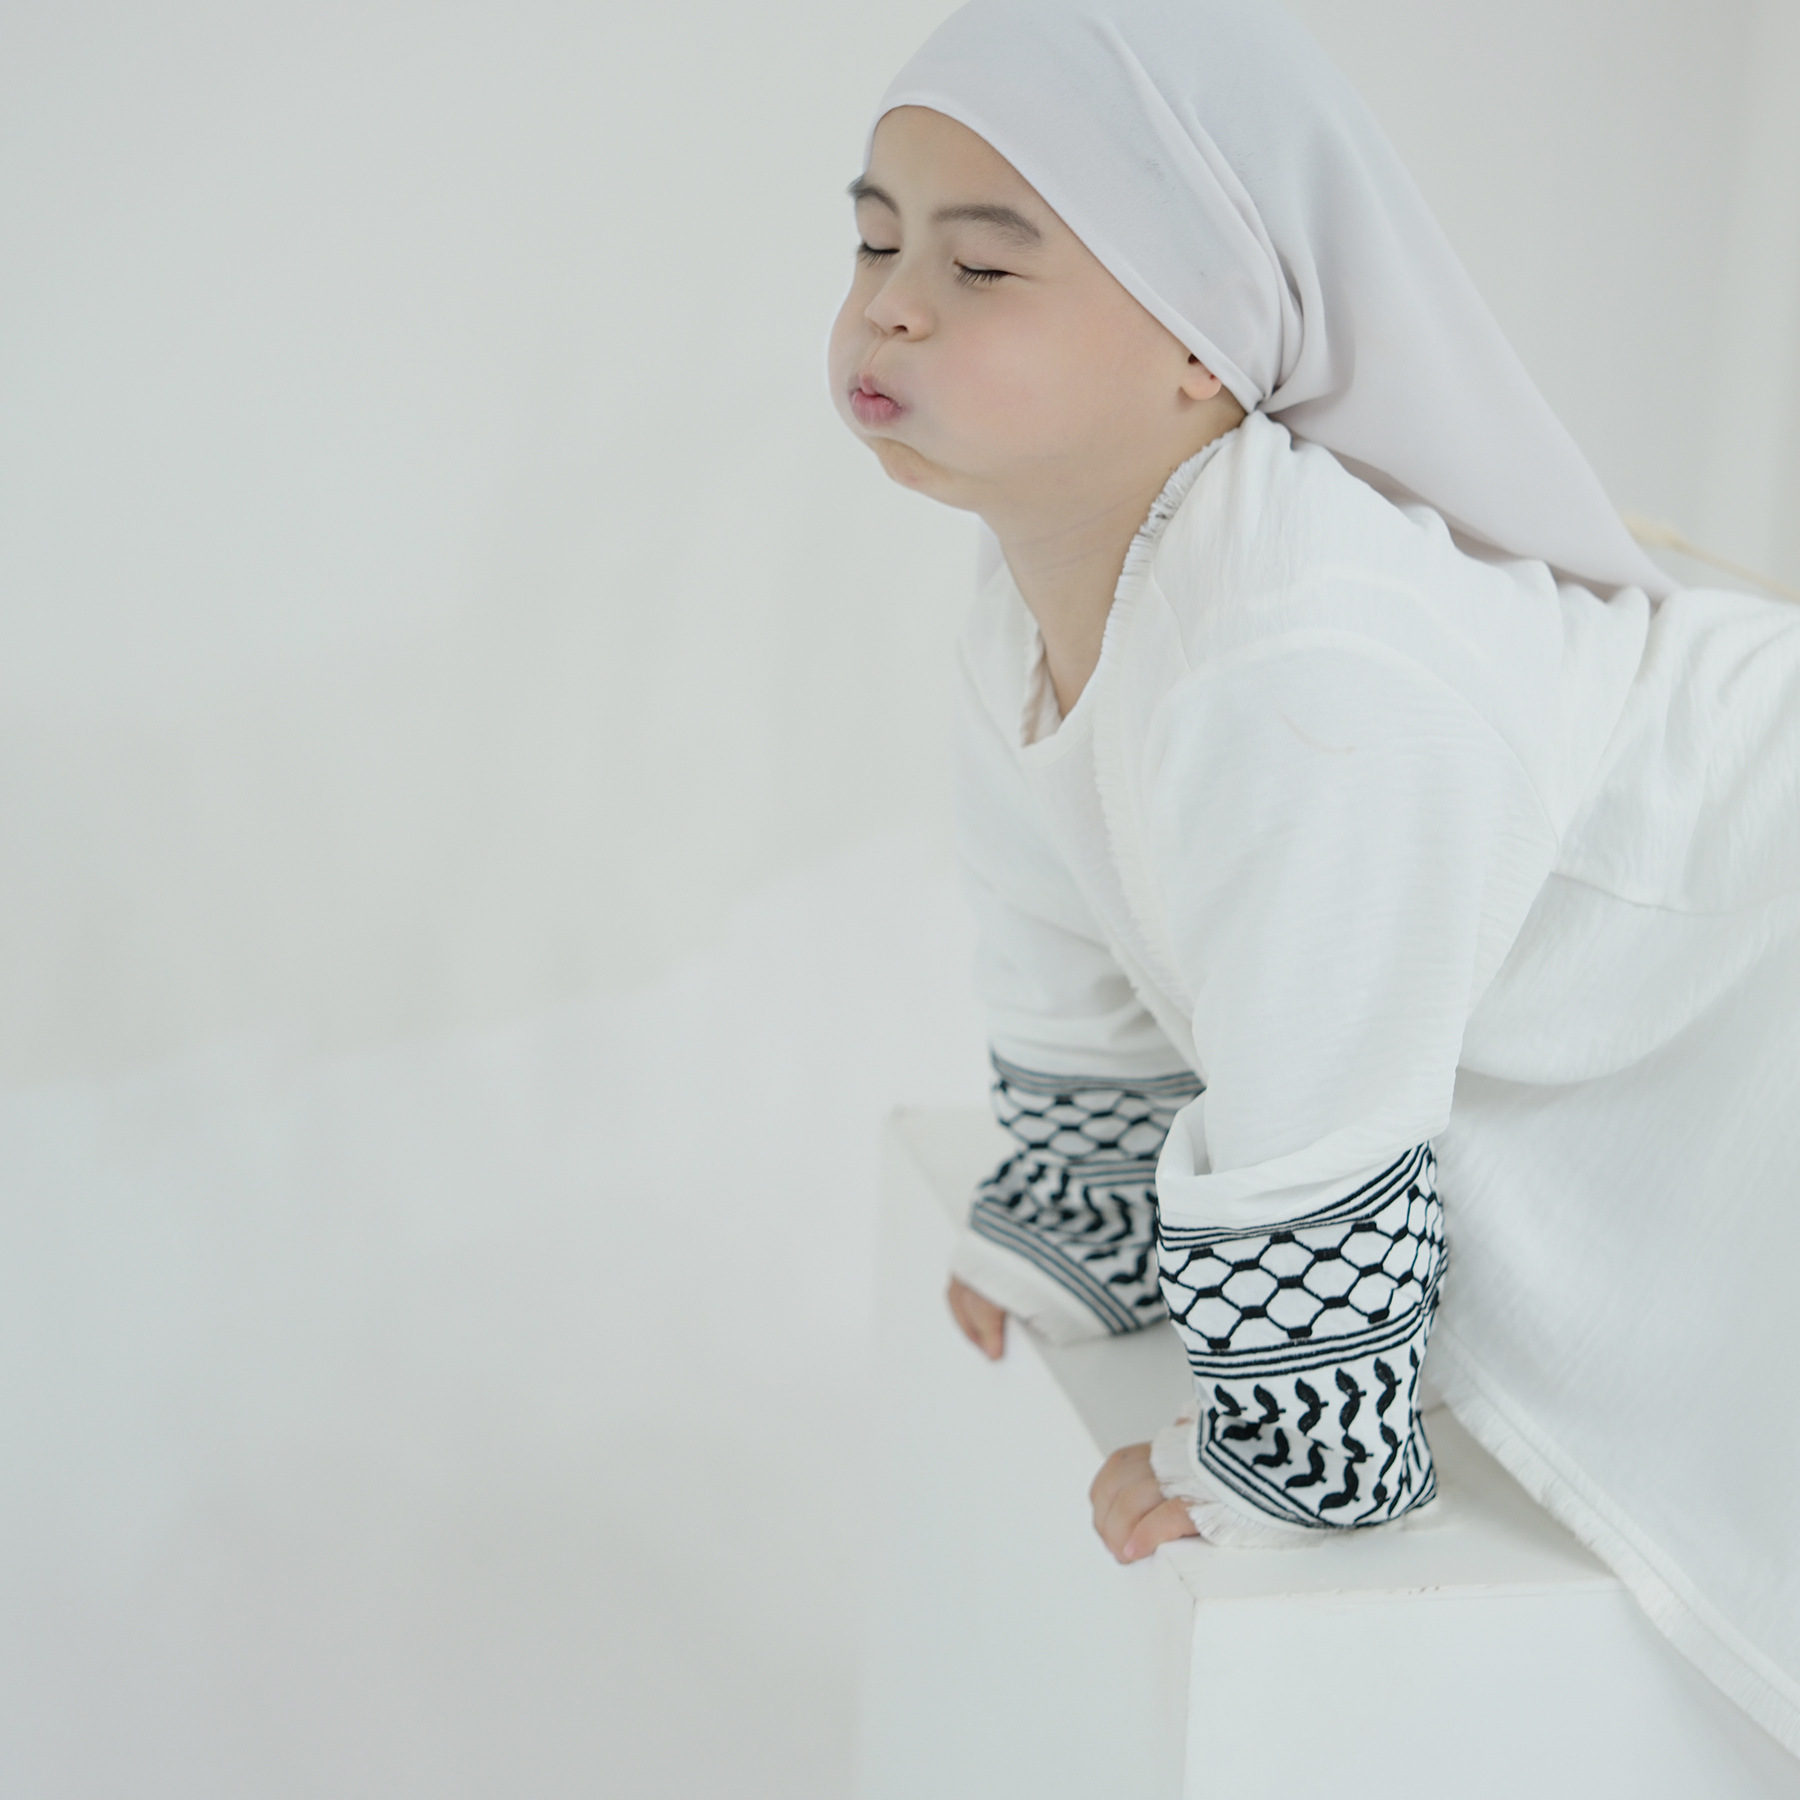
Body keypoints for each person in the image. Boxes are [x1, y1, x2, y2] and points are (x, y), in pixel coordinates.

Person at [827, 0, 1800, 1755]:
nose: (892, 304)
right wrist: (1085, 1225)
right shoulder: (1025, 591)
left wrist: (1285, 1450)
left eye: (983, 268)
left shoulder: (1298, 645)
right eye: (877, 242)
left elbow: (1323, 1050)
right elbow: (1068, 952)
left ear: (1202, 347)